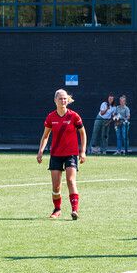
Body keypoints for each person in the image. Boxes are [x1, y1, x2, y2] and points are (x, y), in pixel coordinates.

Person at [37, 89, 87, 220]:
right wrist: (41, 151)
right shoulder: (51, 117)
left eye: (65, 98)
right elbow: (45, 136)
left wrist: (82, 151)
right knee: (56, 186)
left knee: (71, 180)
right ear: (55, 100)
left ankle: (75, 210)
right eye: (60, 99)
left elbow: (83, 133)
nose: (63, 101)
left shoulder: (74, 116)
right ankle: (57, 209)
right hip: (56, 154)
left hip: (71, 153)